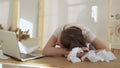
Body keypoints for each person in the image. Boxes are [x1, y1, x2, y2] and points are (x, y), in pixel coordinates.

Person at [42, 23, 109, 57]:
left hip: (85, 46)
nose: (56, 42)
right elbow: (45, 51)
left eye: (59, 43)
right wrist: (69, 52)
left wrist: (84, 53)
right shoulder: (59, 31)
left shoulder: (87, 33)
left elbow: (107, 50)